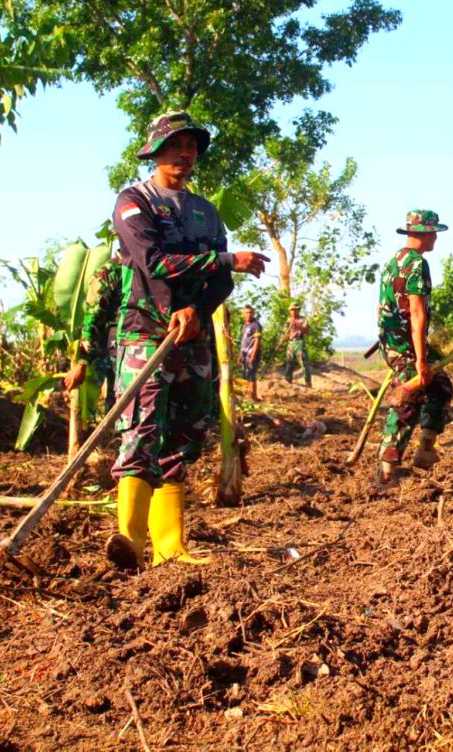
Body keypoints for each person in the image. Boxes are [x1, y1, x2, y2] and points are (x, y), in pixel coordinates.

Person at [106, 111, 269, 570]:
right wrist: (220, 263)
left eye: (191, 146)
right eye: (174, 144)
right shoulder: (132, 202)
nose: (184, 153)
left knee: (183, 438)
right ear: (155, 152)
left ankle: (170, 547)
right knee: (140, 432)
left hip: (191, 338)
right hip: (146, 333)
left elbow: (222, 279)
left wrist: (198, 312)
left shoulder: (205, 211)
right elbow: (153, 262)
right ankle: (131, 543)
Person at [374, 209, 453, 487]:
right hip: (407, 345)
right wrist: (421, 360)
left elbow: (388, 305)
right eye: (433, 233)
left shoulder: (393, 261)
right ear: (424, 233)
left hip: (394, 341)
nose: (435, 239)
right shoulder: (417, 264)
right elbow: (417, 314)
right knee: (408, 400)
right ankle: (385, 473)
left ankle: (425, 450)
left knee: (441, 387)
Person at [63, 254, 123, 409]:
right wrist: (83, 361)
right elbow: (94, 317)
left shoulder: (141, 266)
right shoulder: (109, 272)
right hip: (116, 347)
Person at [238, 305, 263, 402]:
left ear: (253, 313)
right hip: (244, 354)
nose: (248, 315)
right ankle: (248, 395)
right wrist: (240, 355)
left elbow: (257, 341)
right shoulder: (244, 326)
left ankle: (254, 397)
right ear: (243, 314)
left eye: (250, 313)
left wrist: (253, 354)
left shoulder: (256, 325)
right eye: (246, 313)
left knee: (251, 375)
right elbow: (243, 341)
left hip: (252, 354)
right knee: (245, 375)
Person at [283, 303, 311, 386]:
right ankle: (288, 381)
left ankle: (308, 382)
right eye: (292, 310)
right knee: (289, 362)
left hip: (299, 342)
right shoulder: (288, 320)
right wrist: (282, 342)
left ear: (298, 310)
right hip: (291, 343)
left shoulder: (303, 320)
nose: (293, 312)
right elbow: (287, 333)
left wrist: (298, 326)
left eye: (295, 310)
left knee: (303, 363)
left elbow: (307, 331)